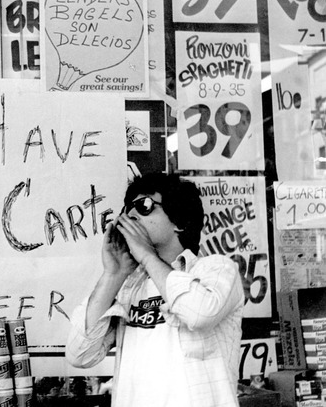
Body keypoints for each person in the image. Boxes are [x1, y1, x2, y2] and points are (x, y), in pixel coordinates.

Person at [65, 173, 244, 407]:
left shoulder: (216, 269)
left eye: (144, 206)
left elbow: (200, 313)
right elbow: (80, 354)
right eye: (127, 208)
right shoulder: (130, 285)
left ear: (179, 222)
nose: (130, 215)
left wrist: (147, 256)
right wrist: (113, 274)